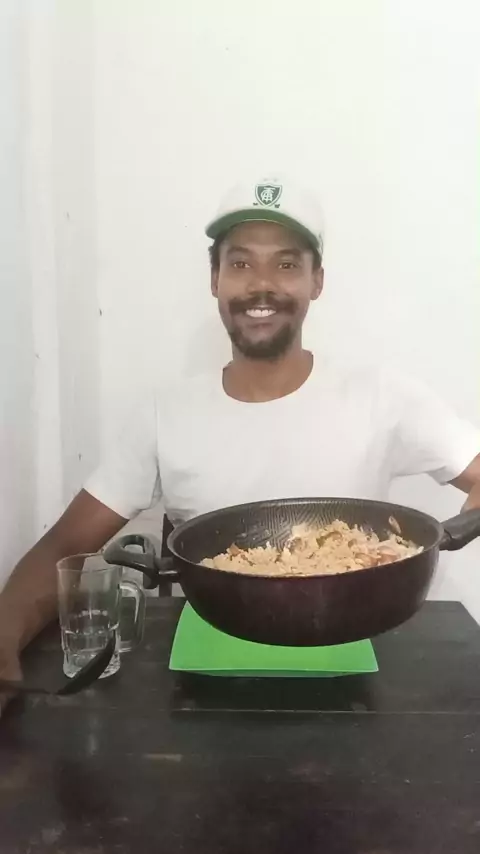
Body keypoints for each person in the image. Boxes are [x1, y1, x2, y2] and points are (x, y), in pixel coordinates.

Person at [1, 175, 480, 711]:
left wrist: (449, 536)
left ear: (317, 281)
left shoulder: (383, 397)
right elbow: (65, 547)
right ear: (215, 280)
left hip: (354, 669)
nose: (262, 285)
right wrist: (3, 640)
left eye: (287, 264)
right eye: (241, 263)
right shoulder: (165, 412)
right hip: (207, 675)